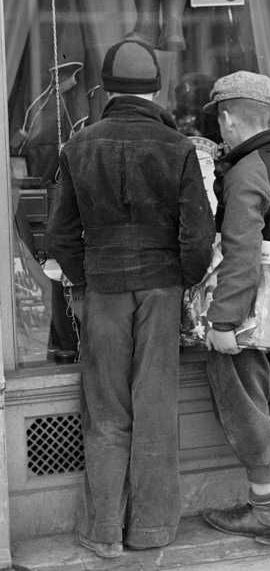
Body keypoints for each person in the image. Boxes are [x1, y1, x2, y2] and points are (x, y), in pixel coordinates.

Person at [46, 39, 215, 558]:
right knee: (156, 409)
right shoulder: (179, 148)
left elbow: (59, 236)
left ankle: (102, 533)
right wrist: (181, 281)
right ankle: (151, 530)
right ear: (155, 88)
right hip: (161, 289)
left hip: (103, 290)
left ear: (104, 86)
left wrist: (84, 279)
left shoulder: (78, 147)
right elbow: (198, 238)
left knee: (106, 412)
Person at [201, 70, 270, 544]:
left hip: (245, 314)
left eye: (218, 123)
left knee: (247, 411)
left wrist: (222, 321)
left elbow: (242, 255)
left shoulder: (247, 171)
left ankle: (265, 513)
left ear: (227, 119)